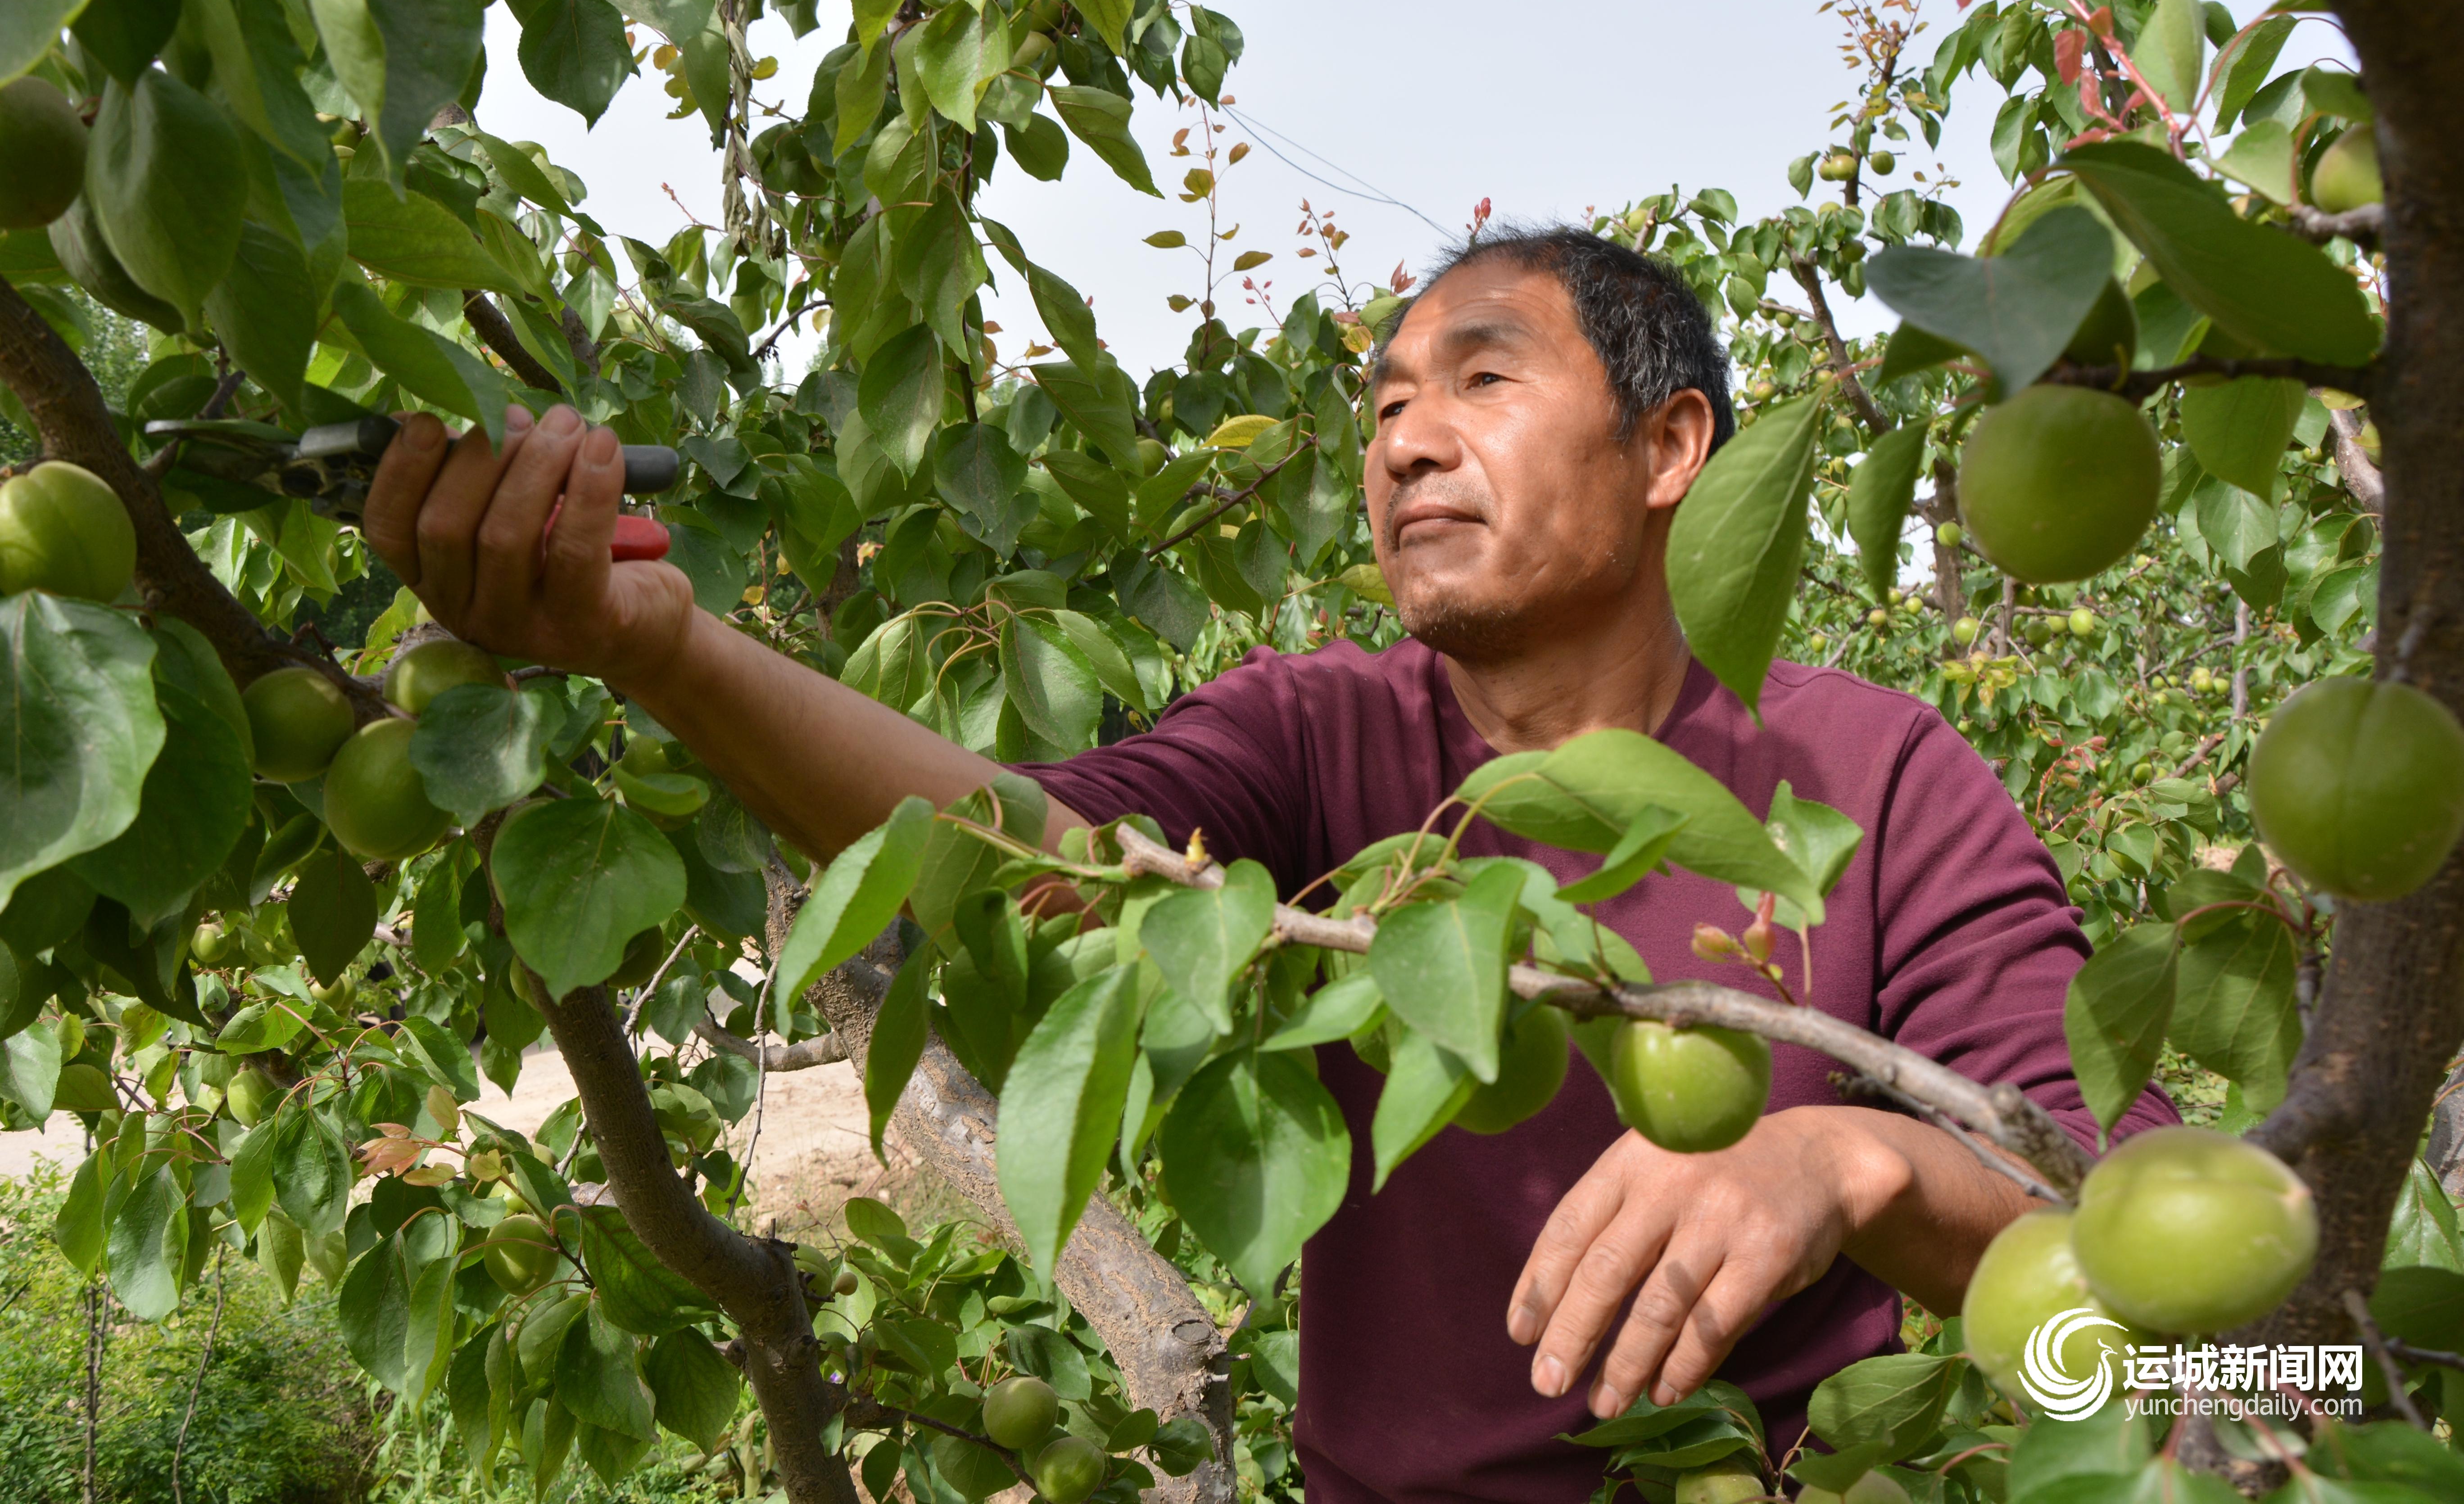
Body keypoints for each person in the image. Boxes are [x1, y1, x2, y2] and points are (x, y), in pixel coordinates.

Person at [366, 225, 2177, 1500]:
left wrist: (1850, 1160)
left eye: (1481, 378)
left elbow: (2192, 1335)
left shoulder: (1880, 777)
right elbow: (1026, 857)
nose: (1399, 440)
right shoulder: (1329, 738)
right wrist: (663, 651)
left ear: (1673, 449)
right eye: (1381, 403)